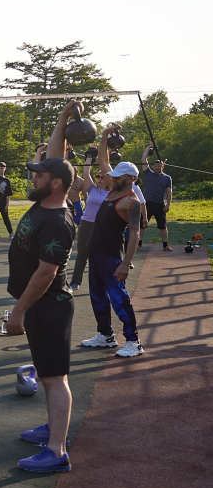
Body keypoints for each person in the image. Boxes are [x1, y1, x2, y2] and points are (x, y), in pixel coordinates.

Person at [3, 100, 81, 474]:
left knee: (53, 378)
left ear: (56, 184)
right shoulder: (48, 198)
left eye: (39, 176)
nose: (33, 178)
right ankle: (53, 428)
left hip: (48, 305)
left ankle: (57, 450)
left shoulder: (58, 222)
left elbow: (45, 273)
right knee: (47, 370)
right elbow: (56, 158)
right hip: (40, 306)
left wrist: (20, 309)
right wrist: (63, 120)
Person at [80, 152, 144, 358]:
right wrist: (106, 136)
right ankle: (106, 335)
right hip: (96, 255)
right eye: (113, 176)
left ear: (131, 180)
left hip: (112, 258)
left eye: (118, 177)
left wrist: (126, 263)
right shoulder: (112, 191)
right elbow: (103, 161)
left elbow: (135, 233)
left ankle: (133, 342)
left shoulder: (131, 201)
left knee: (119, 300)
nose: (113, 179)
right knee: (97, 296)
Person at [70, 146, 109, 290]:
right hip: (86, 224)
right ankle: (76, 282)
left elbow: (107, 167)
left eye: (101, 177)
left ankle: (103, 282)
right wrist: (89, 157)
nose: (98, 179)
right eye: (97, 176)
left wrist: (104, 152)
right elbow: (86, 173)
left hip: (101, 226)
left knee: (100, 256)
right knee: (82, 254)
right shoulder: (93, 189)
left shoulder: (112, 193)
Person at [140, 144, 173, 252]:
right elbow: (143, 159)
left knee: (162, 226)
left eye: (159, 165)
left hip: (159, 204)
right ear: (153, 166)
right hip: (147, 203)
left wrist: (168, 204)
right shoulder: (148, 173)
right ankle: (138, 243)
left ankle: (165, 245)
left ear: (163, 166)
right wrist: (148, 147)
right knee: (142, 224)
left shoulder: (167, 178)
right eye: (156, 165)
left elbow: (169, 192)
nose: (157, 167)